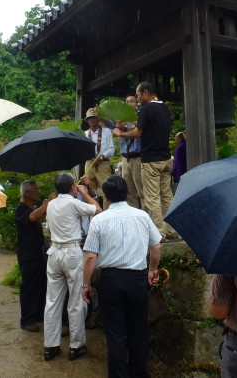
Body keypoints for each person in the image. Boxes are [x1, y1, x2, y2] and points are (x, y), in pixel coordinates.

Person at [82, 176, 162, 377]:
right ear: (126, 193)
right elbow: (156, 245)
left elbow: (91, 256)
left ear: (106, 197)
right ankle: (138, 372)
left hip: (111, 280)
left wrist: (85, 284)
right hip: (137, 279)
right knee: (138, 330)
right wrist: (153, 270)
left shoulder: (99, 220)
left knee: (115, 333)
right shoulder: (142, 216)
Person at [43, 172, 102, 361]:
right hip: (71, 252)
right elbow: (98, 210)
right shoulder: (73, 202)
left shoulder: (51, 204)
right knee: (75, 301)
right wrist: (84, 193)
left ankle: (50, 345)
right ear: (71, 188)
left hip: (54, 252)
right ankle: (76, 346)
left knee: (52, 301)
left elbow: (49, 229)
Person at [112, 81, 178, 239]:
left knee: (152, 197)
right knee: (167, 196)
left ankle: (158, 233)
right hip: (166, 158)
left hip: (151, 160)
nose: (137, 98)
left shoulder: (147, 109)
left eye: (138, 94)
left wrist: (120, 133)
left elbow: (137, 133)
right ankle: (172, 230)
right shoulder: (164, 108)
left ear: (147, 92)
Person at [16, 180, 55, 332]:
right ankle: (27, 319)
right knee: (29, 286)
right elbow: (32, 217)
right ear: (27, 193)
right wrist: (47, 204)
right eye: (35, 190)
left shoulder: (31, 207)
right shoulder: (21, 209)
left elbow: (38, 217)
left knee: (40, 285)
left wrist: (47, 207)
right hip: (28, 255)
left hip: (38, 253)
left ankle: (37, 314)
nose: (38, 192)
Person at [103, 92, 144, 208]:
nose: (129, 103)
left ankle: (146, 217)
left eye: (132, 101)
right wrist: (100, 115)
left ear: (136, 103)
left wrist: (122, 130)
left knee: (142, 191)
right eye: (127, 102)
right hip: (125, 158)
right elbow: (109, 124)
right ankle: (133, 217)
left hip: (138, 157)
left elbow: (137, 133)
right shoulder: (121, 119)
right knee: (129, 191)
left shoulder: (140, 116)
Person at [84, 107, 115, 209]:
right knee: (90, 190)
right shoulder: (85, 134)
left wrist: (101, 157)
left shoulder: (106, 131)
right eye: (89, 118)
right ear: (87, 121)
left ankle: (107, 213)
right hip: (89, 162)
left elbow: (111, 149)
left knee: (106, 190)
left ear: (98, 119)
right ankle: (93, 216)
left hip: (103, 163)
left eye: (93, 117)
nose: (91, 120)